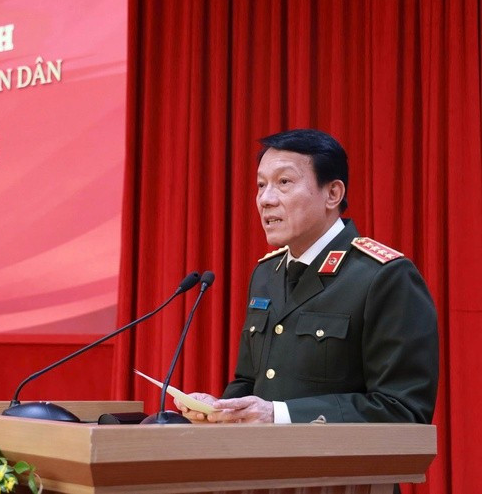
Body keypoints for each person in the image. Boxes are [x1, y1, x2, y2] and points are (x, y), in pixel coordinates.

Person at [177, 129, 439, 425]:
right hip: (260, 467)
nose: (266, 199)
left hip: (339, 470)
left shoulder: (383, 276)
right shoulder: (266, 274)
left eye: (284, 182)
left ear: (333, 193)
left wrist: (280, 416)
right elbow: (250, 381)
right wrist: (222, 408)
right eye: (261, 185)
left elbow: (403, 410)